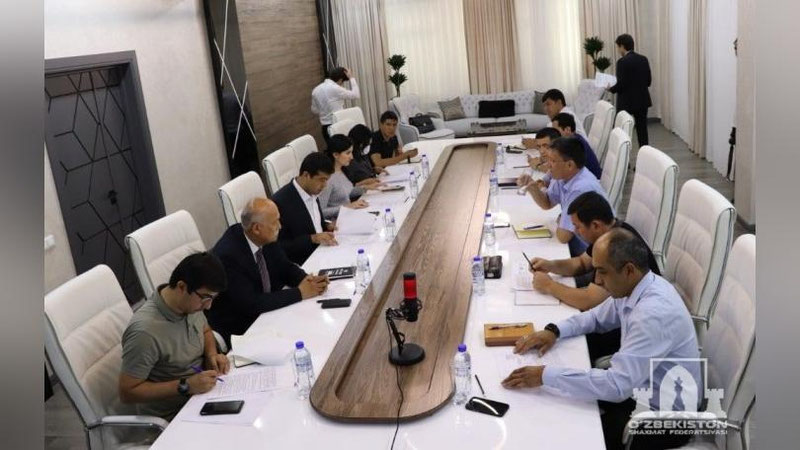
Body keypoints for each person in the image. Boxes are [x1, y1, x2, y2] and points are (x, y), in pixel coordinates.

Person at [502, 228, 699, 450]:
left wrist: (545, 375)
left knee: (566, 435)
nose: (597, 279)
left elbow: (616, 387)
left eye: (602, 272)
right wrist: (554, 331)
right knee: (559, 408)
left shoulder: (652, 315)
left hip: (663, 419)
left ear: (629, 270)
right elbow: (595, 318)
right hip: (638, 389)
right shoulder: (636, 286)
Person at [530, 191, 661, 362]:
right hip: (618, 314)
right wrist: (550, 265)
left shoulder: (615, 247)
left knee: (563, 352)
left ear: (595, 225)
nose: (575, 231)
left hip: (628, 332)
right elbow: (582, 263)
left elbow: (589, 300)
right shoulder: (609, 235)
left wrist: (549, 286)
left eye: (578, 226)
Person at [119, 252, 229, 420]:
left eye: (213, 298)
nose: (208, 306)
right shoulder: (145, 332)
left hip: (204, 394)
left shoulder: (190, 304)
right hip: (175, 415)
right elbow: (127, 392)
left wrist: (212, 355)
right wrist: (186, 385)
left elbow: (205, 330)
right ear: (182, 287)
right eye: (206, 298)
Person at [206, 198, 330, 346]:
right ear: (256, 228)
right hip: (243, 326)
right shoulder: (228, 256)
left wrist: (306, 280)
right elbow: (251, 303)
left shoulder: (263, 237)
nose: (280, 226)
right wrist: (300, 292)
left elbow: (284, 266)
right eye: (275, 222)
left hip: (268, 311)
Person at [517, 136, 612, 256]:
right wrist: (533, 188)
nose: (548, 165)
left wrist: (561, 219)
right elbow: (547, 203)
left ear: (570, 165)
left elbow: (563, 237)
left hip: (594, 251)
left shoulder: (580, 188)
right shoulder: (563, 176)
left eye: (553, 161)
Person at [272, 152, 338, 265]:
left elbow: (313, 223)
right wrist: (312, 239)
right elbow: (279, 246)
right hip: (304, 263)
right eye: (321, 179)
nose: (324, 185)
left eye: (326, 180)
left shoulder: (312, 191)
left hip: (324, 252)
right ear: (306, 175)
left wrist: (327, 225)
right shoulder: (280, 202)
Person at [318, 134, 382, 220]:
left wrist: (366, 188)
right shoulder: (328, 180)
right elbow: (321, 212)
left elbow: (346, 192)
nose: (351, 157)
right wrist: (347, 207)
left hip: (350, 215)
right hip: (339, 221)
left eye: (351, 152)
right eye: (348, 153)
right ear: (336, 155)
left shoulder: (343, 170)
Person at [608, 34, 652, 147]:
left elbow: (621, 85)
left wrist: (610, 89)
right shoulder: (643, 59)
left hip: (626, 102)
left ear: (622, 46)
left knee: (623, 130)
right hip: (642, 100)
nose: (618, 50)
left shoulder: (622, 62)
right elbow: (648, 81)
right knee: (642, 130)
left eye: (618, 47)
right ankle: (644, 153)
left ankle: (624, 155)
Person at [311, 67, 360, 143]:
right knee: (345, 147)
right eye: (342, 82)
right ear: (340, 80)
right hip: (338, 125)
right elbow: (356, 95)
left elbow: (314, 110)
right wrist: (351, 78)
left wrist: (324, 110)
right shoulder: (335, 88)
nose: (342, 85)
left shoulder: (315, 90)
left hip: (325, 128)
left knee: (333, 149)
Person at [552, 112, 602, 179]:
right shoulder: (575, 137)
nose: (554, 134)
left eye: (556, 131)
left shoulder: (574, 145)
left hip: (588, 181)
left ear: (567, 130)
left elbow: (563, 170)